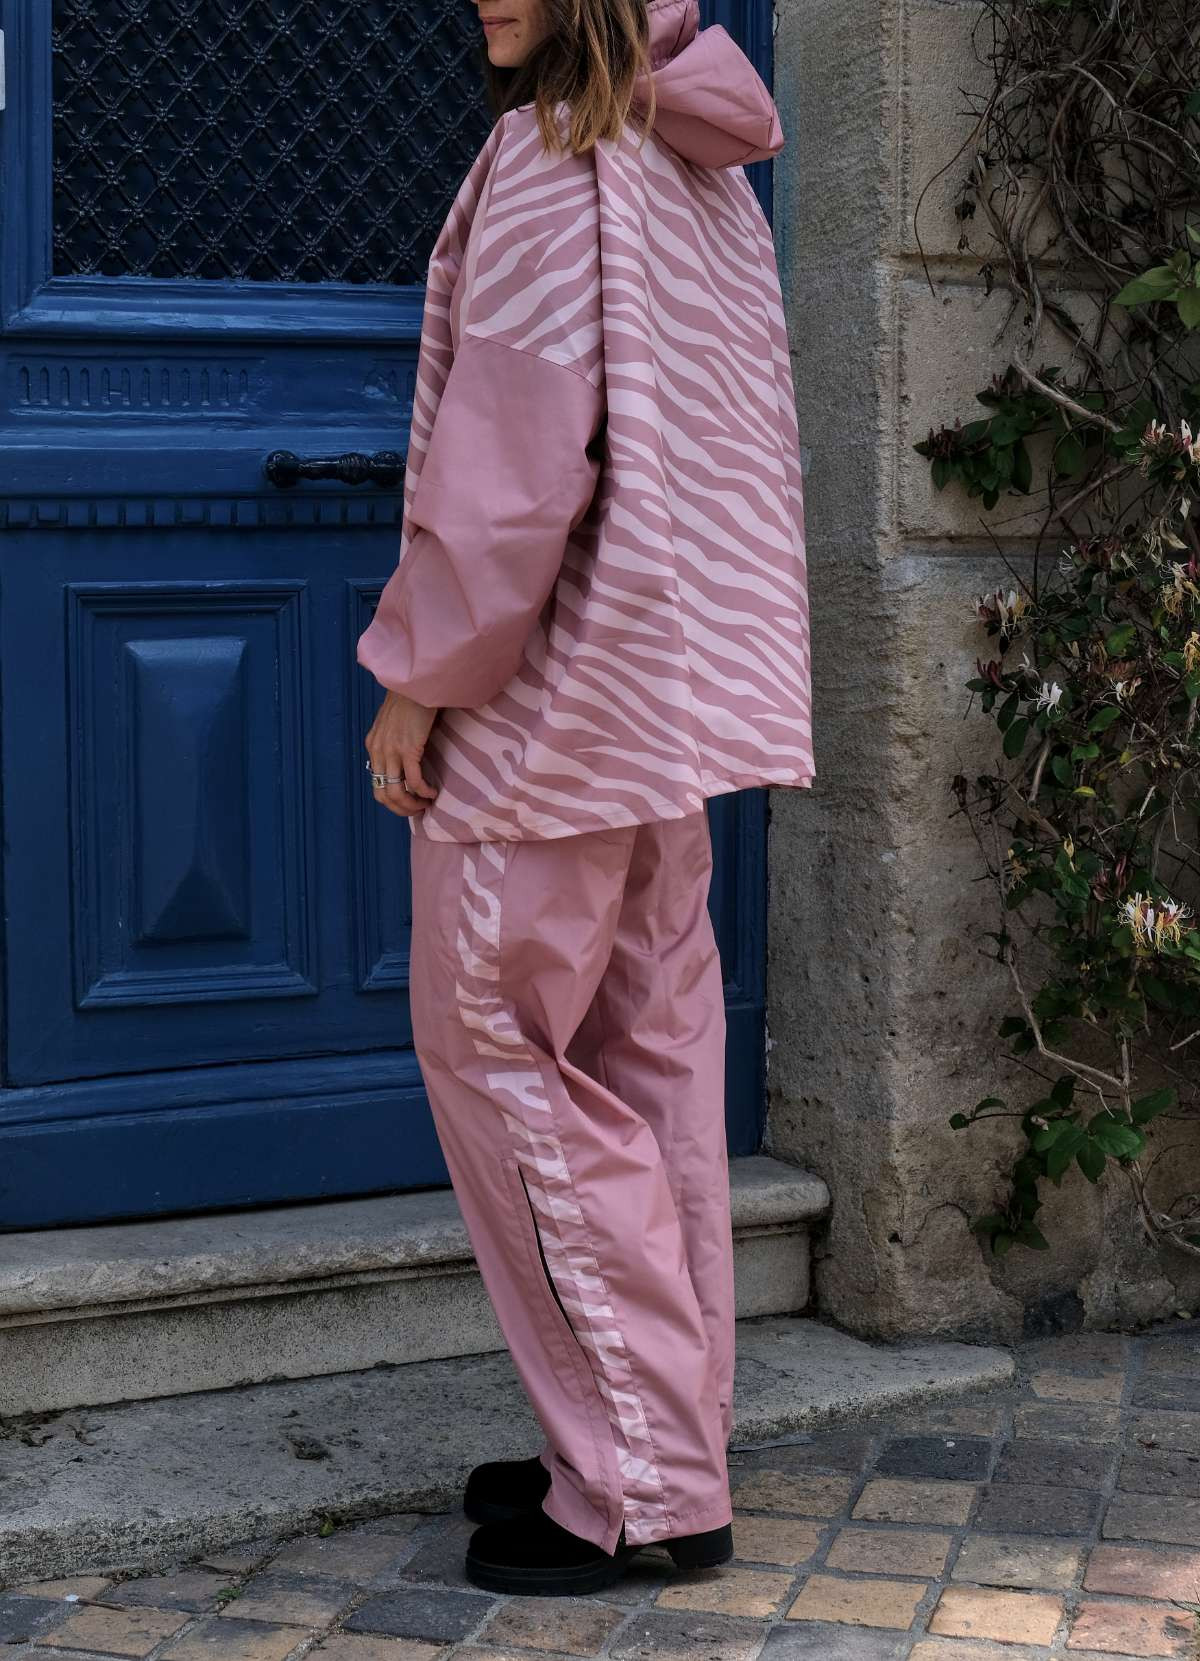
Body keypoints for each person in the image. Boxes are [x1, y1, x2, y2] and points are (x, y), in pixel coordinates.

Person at [357, 0, 815, 1598]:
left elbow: (513, 477)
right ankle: (664, 1450)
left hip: (547, 717)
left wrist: (421, 676)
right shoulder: (700, 158)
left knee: (503, 1050)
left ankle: (633, 1480)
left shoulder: (557, 159)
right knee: (653, 1058)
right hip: (660, 712)